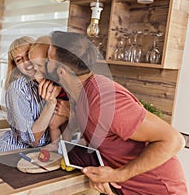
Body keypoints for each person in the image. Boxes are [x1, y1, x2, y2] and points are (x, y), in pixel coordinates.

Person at [45, 31, 188, 195]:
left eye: (47, 60)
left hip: (160, 188)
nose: (41, 64)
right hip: (131, 187)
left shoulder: (104, 102)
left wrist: (118, 175)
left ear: (61, 72)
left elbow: (174, 140)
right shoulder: (82, 94)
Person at [0, 36, 67, 154]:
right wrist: (50, 104)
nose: (26, 63)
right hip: (16, 151)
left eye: (28, 54)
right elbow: (32, 140)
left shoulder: (54, 80)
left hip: (45, 151)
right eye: (19, 60)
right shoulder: (17, 89)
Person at [29, 36, 72, 149]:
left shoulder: (58, 77)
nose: (35, 69)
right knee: (61, 127)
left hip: (67, 106)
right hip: (61, 106)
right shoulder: (46, 77)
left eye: (39, 65)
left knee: (55, 125)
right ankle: (62, 146)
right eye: (33, 65)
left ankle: (57, 146)